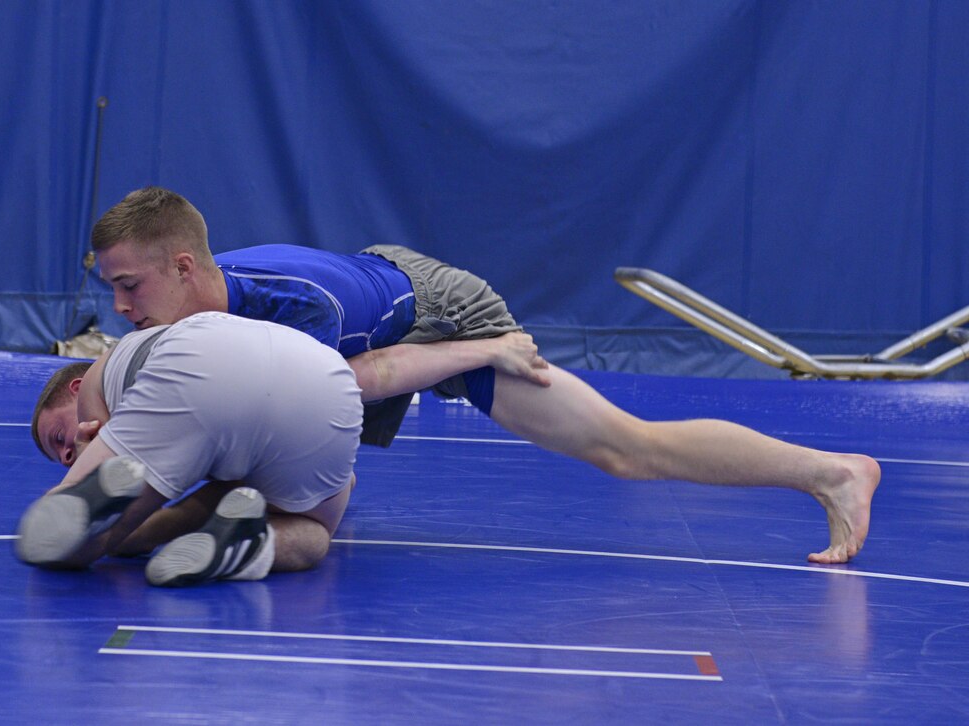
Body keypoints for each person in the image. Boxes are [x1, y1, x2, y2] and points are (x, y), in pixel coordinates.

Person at [64, 186, 882, 565]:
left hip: (440, 312)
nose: (123, 306)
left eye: (130, 287)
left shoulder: (290, 307)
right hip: (375, 320)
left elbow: (357, 384)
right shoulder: (193, 309)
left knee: (624, 451)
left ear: (183, 266)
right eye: (112, 290)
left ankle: (834, 471)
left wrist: (486, 349)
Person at [18, 311, 365, 586]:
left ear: (76, 387)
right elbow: (345, 482)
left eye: (59, 437)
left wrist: (79, 474)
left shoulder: (97, 386)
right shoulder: (162, 332)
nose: (67, 453)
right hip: (328, 378)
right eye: (62, 458)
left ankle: (79, 497)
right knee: (314, 532)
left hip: (194, 373)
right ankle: (245, 547)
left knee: (88, 544)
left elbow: (139, 503)